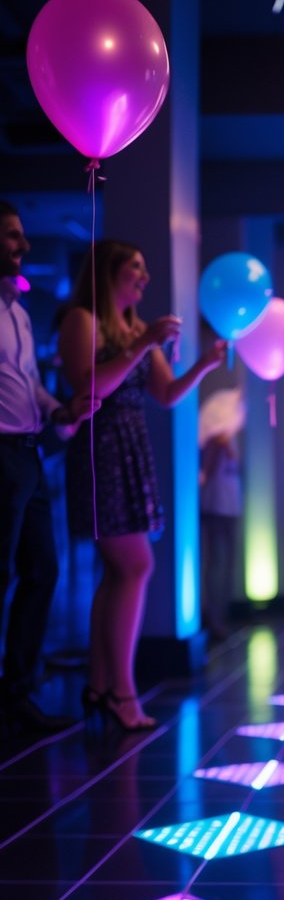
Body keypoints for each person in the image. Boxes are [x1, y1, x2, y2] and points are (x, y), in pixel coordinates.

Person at [59, 239, 226, 731]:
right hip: (101, 450)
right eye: (136, 268)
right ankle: (121, 692)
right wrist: (142, 344)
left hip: (131, 450)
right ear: (109, 273)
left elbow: (167, 394)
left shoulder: (135, 331)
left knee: (118, 573)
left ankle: (99, 684)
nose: (145, 278)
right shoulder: (84, 321)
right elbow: (90, 387)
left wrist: (205, 365)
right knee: (135, 565)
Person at [0, 200, 99, 732]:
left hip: (26, 452)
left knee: (43, 570)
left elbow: (28, 383)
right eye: (13, 236)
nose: (25, 245)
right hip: (1, 455)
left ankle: (17, 694)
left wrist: (59, 408)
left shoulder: (16, 311)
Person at [199, 430, 242, 641]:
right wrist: (218, 447)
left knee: (228, 564)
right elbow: (208, 472)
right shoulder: (213, 442)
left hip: (231, 507)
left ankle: (222, 615)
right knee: (216, 563)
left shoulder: (231, 440)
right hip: (215, 507)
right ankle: (213, 617)